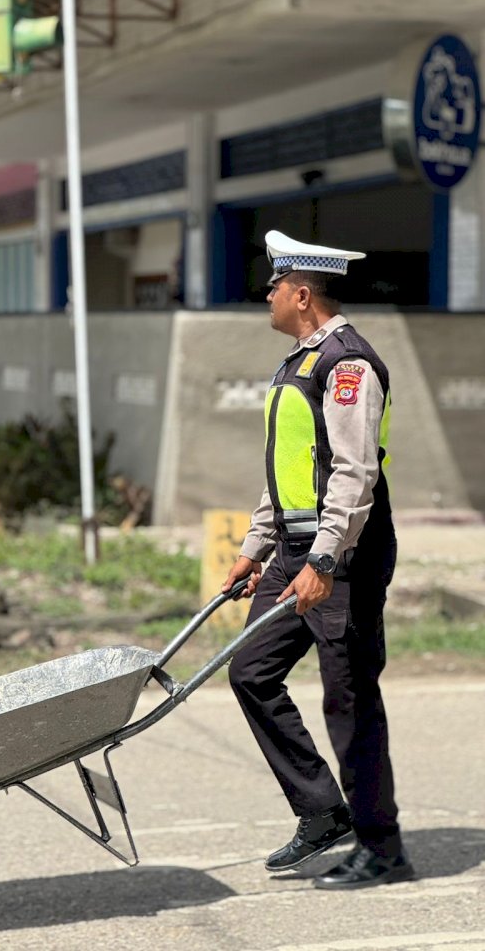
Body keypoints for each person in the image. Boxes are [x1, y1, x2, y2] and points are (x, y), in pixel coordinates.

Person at [223, 229, 413, 890]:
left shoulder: (347, 366)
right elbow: (289, 470)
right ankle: (322, 812)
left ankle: (382, 847)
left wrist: (326, 560)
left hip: (343, 556)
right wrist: (255, 548)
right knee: (250, 669)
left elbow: (355, 475)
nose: (268, 297)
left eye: (275, 287)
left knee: (350, 699)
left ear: (302, 294)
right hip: (294, 551)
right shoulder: (297, 364)